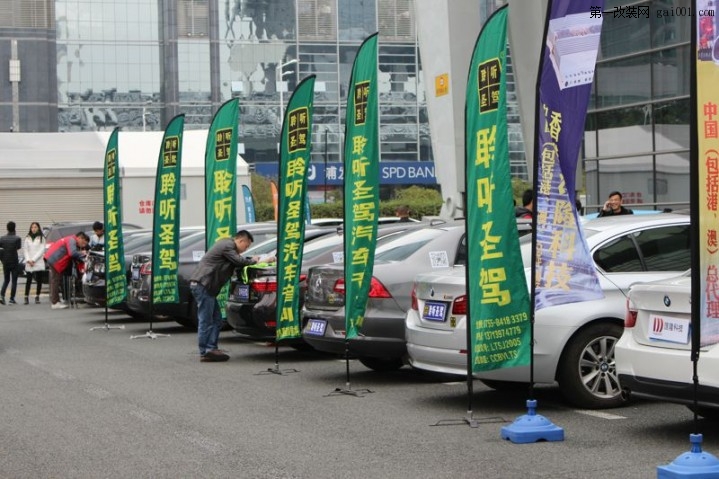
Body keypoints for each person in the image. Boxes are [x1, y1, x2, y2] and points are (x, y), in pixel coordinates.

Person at [189, 230, 266, 362]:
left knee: (217, 319)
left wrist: (252, 260)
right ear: (241, 240)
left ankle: (211, 348)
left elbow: (237, 261)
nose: (245, 249)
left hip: (206, 287)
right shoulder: (227, 245)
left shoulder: (228, 248)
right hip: (203, 285)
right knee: (206, 319)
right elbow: (238, 261)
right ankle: (205, 351)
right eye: (246, 246)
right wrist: (253, 261)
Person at [44, 231, 89, 309]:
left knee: (56, 280)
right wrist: (82, 253)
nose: (83, 245)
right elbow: (72, 253)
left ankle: (56, 300)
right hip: (55, 260)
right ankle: (55, 303)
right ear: (80, 238)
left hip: (53, 258)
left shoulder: (70, 239)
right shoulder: (72, 240)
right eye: (83, 243)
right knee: (56, 280)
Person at [22, 222, 46, 305]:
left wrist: (34, 260)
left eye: (35, 227)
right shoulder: (27, 238)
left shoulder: (42, 238)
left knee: (39, 280)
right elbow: (25, 249)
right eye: (32, 227)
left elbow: (41, 250)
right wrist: (28, 259)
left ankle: (37, 296)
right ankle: (26, 297)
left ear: (38, 228)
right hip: (29, 262)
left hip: (38, 261)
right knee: (28, 280)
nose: (34, 229)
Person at [0, 221, 22, 305]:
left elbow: (1, 248)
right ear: (14, 228)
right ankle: (12, 299)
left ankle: (2, 295)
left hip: (5, 261)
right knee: (14, 280)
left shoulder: (2, 238)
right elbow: (18, 247)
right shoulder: (17, 238)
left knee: (6, 280)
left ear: (7, 228)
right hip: (14, 261)